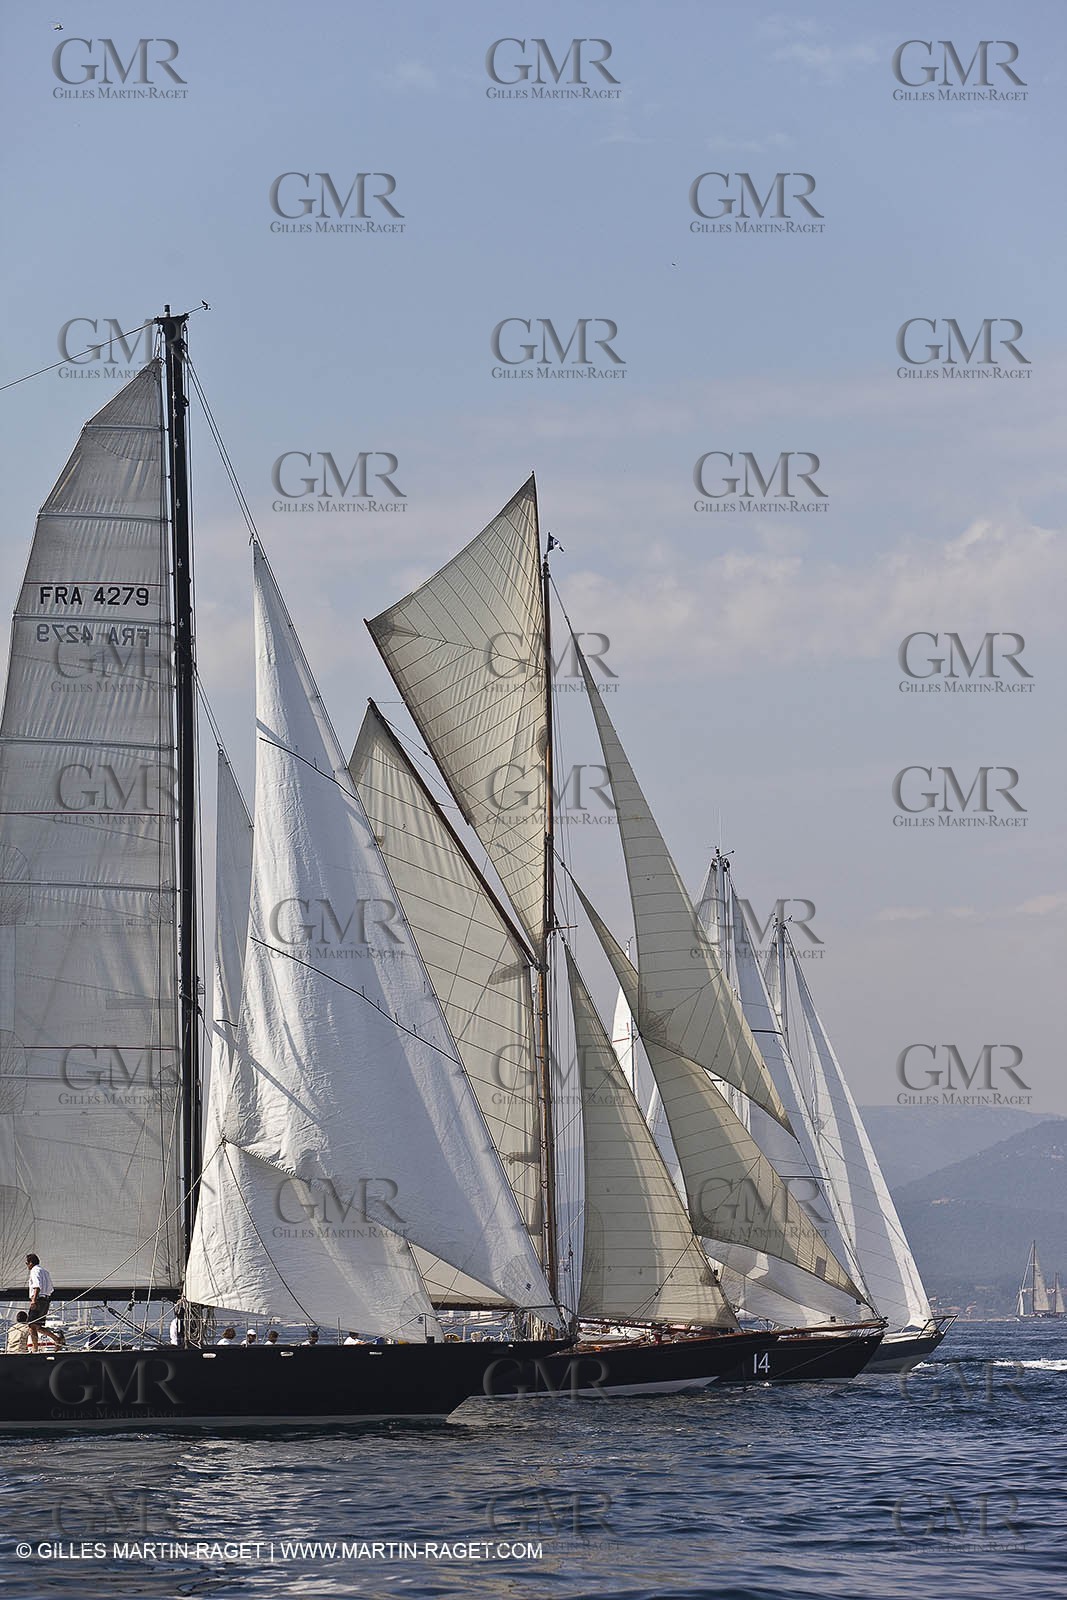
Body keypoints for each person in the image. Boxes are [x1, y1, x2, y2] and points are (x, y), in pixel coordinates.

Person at [26, 1255, 64, 1351]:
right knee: (38, 1326)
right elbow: (51, 1289)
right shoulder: (45, 1272)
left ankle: (35, 1349)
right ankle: (56, 1339)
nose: (27, 1266)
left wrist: (34, 1300)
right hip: (45, 1300)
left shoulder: (34, 1270)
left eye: (27, 1263)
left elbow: (37, 1286)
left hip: (38, 1300)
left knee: (31, 1325)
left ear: (30, 1262)